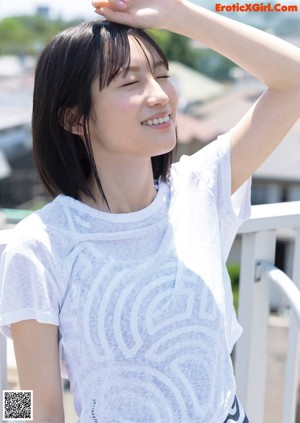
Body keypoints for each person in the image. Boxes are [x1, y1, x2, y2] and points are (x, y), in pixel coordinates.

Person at [0, 0, 299, 421]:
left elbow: (293, 78)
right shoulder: (38, 246)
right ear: (73, 118)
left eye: (162, 75)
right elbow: (28, 401)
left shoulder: (200, 189)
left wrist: (178, 14)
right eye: (129, 83)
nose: (160, 96)